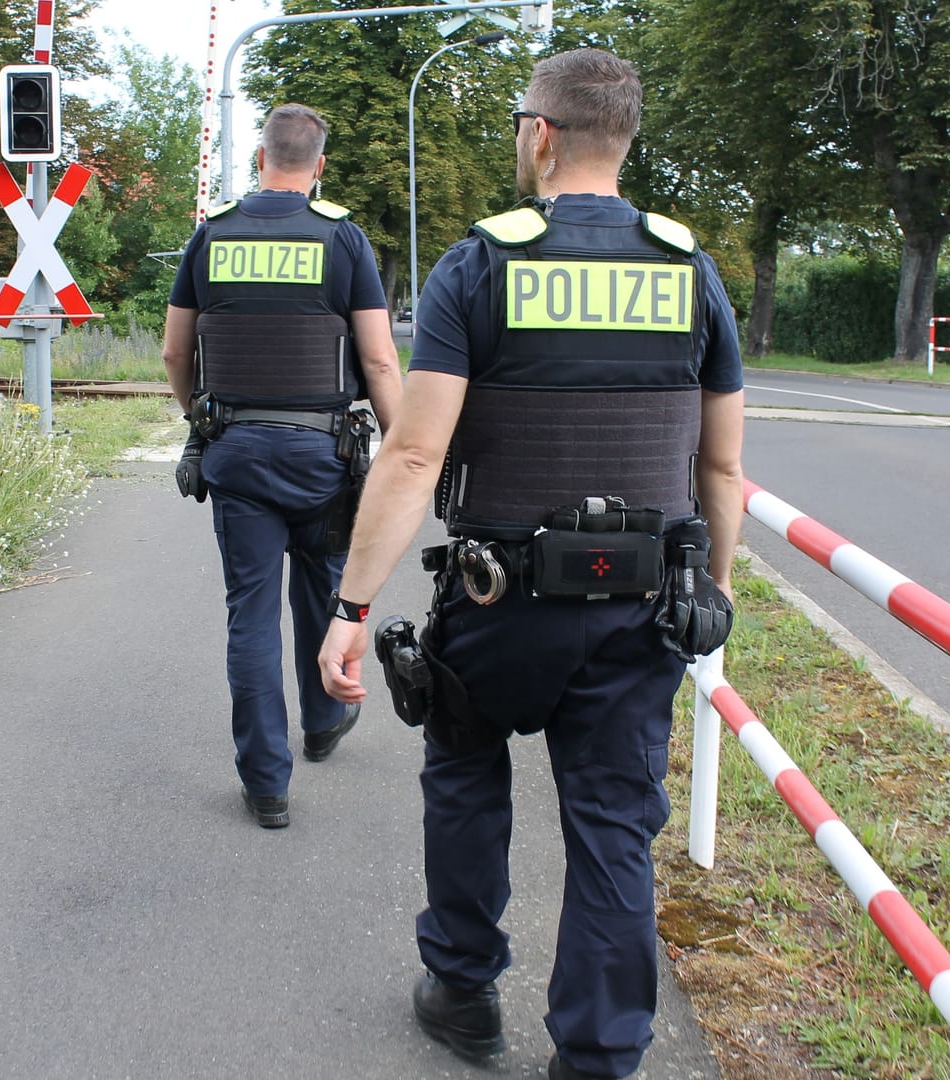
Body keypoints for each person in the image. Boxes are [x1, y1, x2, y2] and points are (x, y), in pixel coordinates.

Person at [316, 50, 745, 1079]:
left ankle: (463, 991)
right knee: (611, 828)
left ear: (541, 134)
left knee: (466, 772)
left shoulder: (479, 264)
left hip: (499, 597)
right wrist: (715, 592)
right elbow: (721, 463)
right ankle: (599, 1056)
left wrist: (351, 605)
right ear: (623, 139)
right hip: (643, 605)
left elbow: (416, 452)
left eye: (519, 124)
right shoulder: (690, 269)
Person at [162, 103, 403, 830]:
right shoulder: (342, 239)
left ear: (260, 157)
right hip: (324, 456)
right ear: (319, 165)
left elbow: (177, 352)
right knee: (325, 592)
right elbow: (380, 357)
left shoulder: (213, 235)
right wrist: (400, 450)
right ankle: (324, 723)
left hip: (237, 455)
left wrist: (196, 423)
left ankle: (267, 782)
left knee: (251, 617)